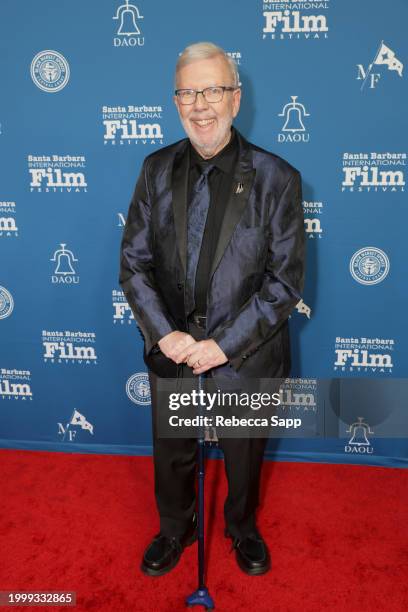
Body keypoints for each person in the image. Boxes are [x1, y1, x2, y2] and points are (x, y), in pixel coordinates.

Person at [119, 41, 306, 577]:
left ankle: (242, 527)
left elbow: (284, 283)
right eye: (187, 92)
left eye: (213, 90)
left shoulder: (278, 178)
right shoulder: (154, 169)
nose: (200, 104)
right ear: (175, 101)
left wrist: (222, 346)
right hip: (173, 350)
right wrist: (165, 335)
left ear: (236, 98)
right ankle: (176, 528)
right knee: (173, 452)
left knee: (243, 457)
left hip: (244, 355)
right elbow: (134, 264)